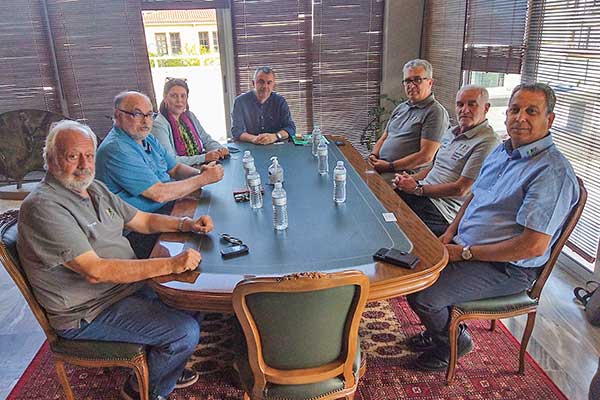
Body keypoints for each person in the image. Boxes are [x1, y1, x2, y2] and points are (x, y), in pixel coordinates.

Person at [17, 120, 214, 400]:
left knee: (195, 299)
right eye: (72, 156)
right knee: (184, 332)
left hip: (123, 288)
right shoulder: (43, 207)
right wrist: (171, 264)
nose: (84, 164)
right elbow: (95, 271)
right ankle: (145, 390)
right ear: (50, 159)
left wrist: (186, 224)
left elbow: (142, 220)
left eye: (89, 155)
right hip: (89, 311)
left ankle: (160, 363)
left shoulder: (93, 188)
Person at [406, 83, 579, 371]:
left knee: (423, 294)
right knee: (412, 264)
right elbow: (474, 197)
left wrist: (465, 253)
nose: (520, 118)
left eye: (531, 111)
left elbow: (532, 247)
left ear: (549, 120)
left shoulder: (552, 172)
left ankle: (454, 342)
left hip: (508, 267)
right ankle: (441, 328)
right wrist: (450, 233)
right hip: (467, 245)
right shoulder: (502, 151)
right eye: (515, 110)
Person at [393, 85, 500, 236]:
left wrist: (417, 189)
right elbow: (434, 168)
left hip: (440, 210)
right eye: (460, 104)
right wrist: (409, 180)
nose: (464, 110)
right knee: (380, 205)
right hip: (422, 195)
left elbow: (461, 189)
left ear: (486, 108)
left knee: (396, 230)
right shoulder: (451, 132)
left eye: (472, 104)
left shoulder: (488, 142)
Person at [368, 59, 449, 181]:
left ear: (430, 82)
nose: (411, 85)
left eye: (417, 80)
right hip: (382, 166)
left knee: (366, 186)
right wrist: (373, 156)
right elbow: (384, 137)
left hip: (403, 175)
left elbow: (426, 156)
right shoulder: (401, 108)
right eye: (407, 81)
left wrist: (389, 166)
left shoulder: (435, 112)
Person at [152, 77, 229, 166]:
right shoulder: (159, 125)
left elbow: (206, 140)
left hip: (199, 166)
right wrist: (204, 158)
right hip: (180, 171)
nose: (179, 100)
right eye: (174, 96)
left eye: (183, 96)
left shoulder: (190, 116)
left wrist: (219, 150)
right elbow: (170, 160)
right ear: (165, 97)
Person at [231, 66, 296, 144]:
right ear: (253, 83)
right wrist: (254, 139)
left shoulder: (280, 101)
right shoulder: (240, 102)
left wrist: (275, 136)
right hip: (249, 146)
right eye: (261, 82)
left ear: (274, 85)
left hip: (275, 145)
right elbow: (237, 131)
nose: (265, 86)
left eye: (269, 82)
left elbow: (290, 128)